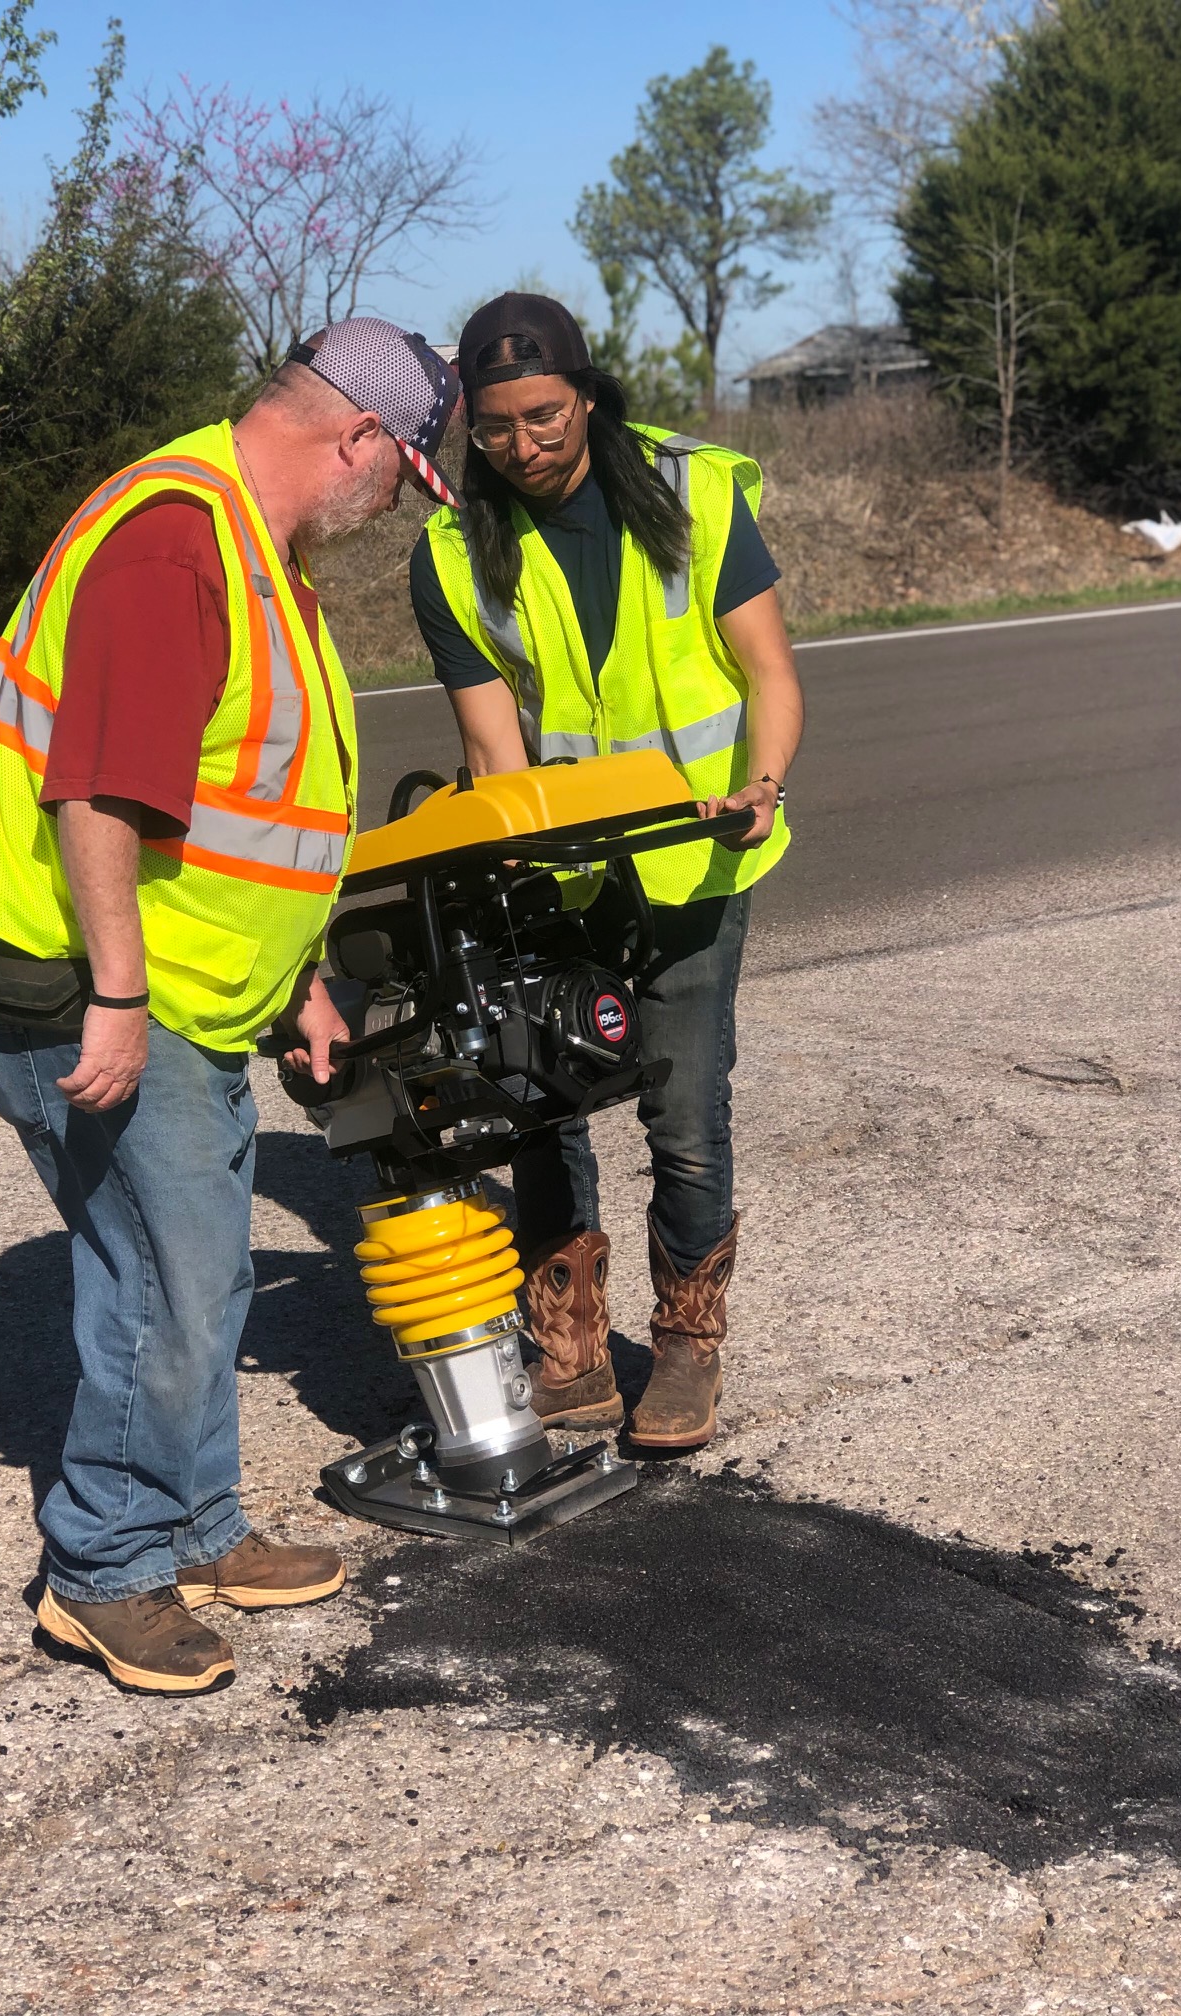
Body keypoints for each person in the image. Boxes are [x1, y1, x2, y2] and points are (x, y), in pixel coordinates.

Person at [0, 319, 460, 1695]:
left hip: (195, 988)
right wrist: (116, 994)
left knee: (206, 1266)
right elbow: (100, 796)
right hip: (101, 990)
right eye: (404, 476)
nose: (394, 506)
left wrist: (292, 977)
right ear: (358, 438)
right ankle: (107, 1569)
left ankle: (198, 1524)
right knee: (161, 1284)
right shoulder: (177, 539)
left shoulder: (249, 545)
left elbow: (242, 801)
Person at [409, 293, 803, 1454]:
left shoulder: (699, 497)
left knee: (683, 1102)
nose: (522, 448)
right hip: (562, 872)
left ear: (587, 393)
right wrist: (501, 859)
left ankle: (686, 1340)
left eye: (543, 417)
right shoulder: (449, 554)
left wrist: (763, 785)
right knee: (540, 1095)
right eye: (492, 429)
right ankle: (570, 1340)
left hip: (702, 849)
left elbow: (770, 671)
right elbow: (493, 745)